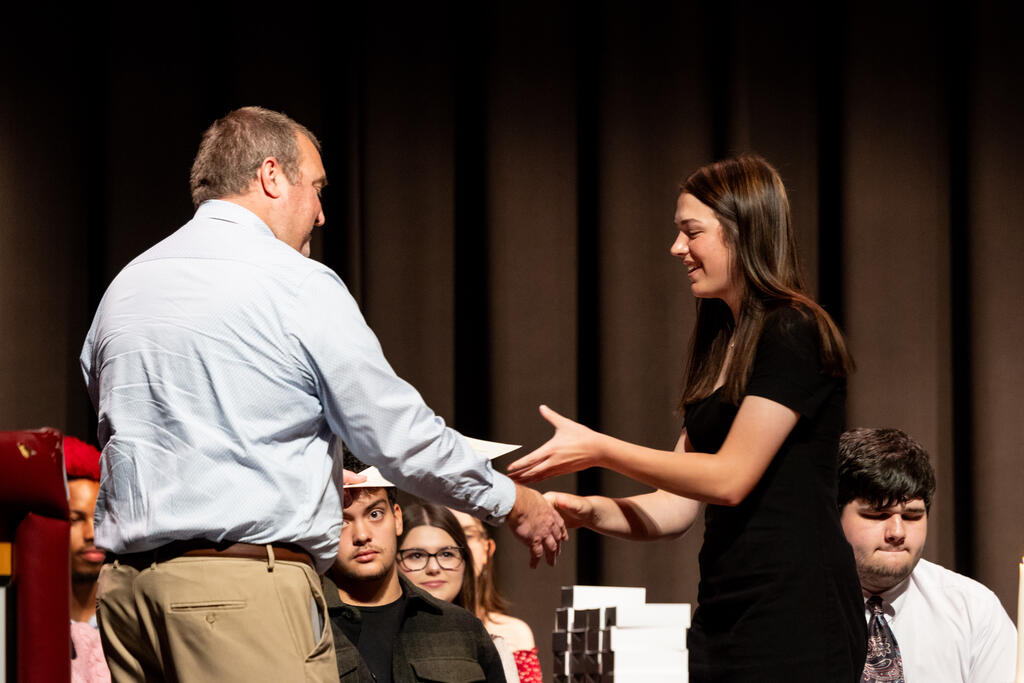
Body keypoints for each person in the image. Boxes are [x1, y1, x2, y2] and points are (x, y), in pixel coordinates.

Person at [80, 106, 565, 682]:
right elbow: (397, 436)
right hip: (235, 596)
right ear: (271, 175)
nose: (321, 212)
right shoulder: (294, 282)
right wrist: (513, 500)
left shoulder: (127, 285)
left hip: (127, 595)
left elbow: (113, 416)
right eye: (316, 188)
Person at [508, 154, 866, 681]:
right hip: (727, 610)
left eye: (691, 232)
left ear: (744, 231)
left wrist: (600, 449)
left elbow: (729, 479)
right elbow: (675, 507)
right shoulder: (725, 339)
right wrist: (588, 510)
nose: (678, 248)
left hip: (795, 612)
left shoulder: (793, 330)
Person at [837, 427, 1017, 682]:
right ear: (834, 515)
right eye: (878, 515)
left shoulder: (974, 610)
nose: (897, 532)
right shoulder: (795, 603)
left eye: (912, 516)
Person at [323, 472, 506, 681]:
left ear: (397, 518)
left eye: (375, 514)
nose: (362, 535)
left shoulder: (463, 628)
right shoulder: (308, 628)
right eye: (340, 521)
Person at [448, 507, 541, 683]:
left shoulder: (514, 633)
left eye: (467, 535)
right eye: (448, 535)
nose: (459, 547)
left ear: (487, 548)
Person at [64, 435, 111, 683]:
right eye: (75, 519)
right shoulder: (27, 623)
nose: (92, 533)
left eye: (100, 517)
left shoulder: (127, 622)